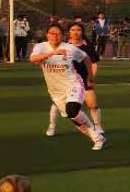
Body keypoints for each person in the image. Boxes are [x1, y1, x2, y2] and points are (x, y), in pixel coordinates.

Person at [30, 22, 105, 150]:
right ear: (47, 35)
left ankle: (97, 135)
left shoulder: (70, 48)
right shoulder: (40, 47)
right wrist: (53, 53)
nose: (55, 36)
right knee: (75, 119)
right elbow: (33, 59)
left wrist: (90, 77)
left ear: (63, 36)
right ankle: (97, 137)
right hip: (56, 91)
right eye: (52, 33)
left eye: (58, 34)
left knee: (72, 110)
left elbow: (86, 58)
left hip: (74, 85)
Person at [47, 21, 105, 139]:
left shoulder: (88, 47)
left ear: (82, 32)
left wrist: (90, 78)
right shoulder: (63, 46)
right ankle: (52, 126)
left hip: (84, 80)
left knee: (93, 105)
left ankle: (98, 127)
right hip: (66, 81)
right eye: (72, 30)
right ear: (69, 32)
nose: (75, 32)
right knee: (57, 104)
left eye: (78, 30)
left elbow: (93, 64)